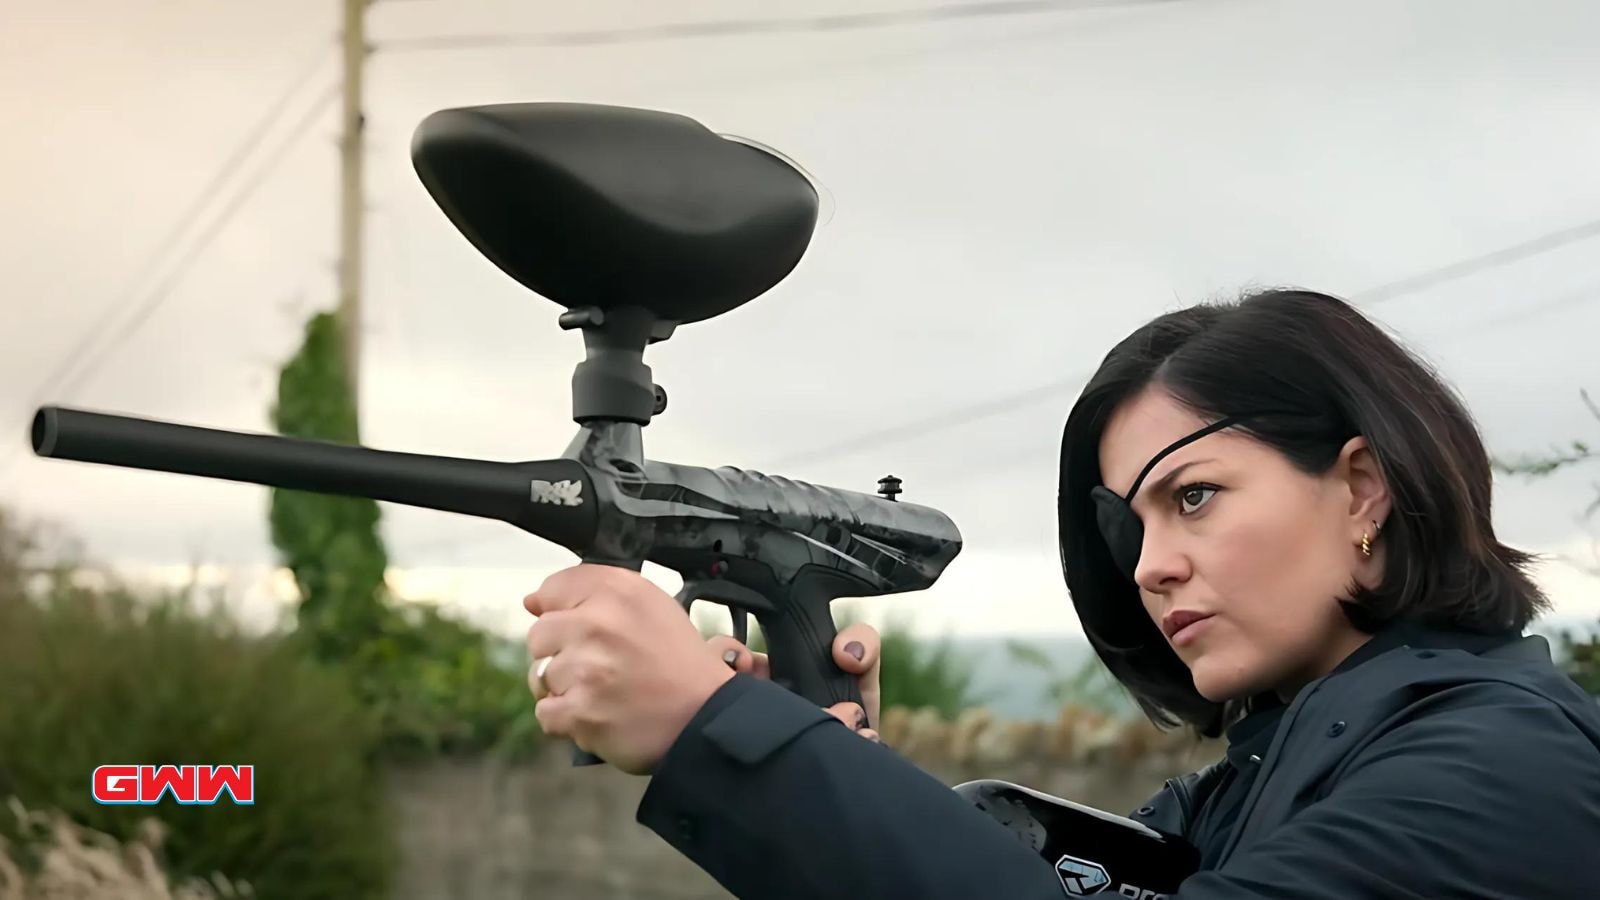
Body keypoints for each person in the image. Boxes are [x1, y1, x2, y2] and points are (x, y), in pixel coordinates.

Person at [521, 288, 1600, 899]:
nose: (1146, 566)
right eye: (1129, 524)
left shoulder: (1507, 770)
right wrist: (828, 777)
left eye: (1194, 496)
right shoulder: (1248, 786)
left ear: (1361, 487)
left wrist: (734, 741)